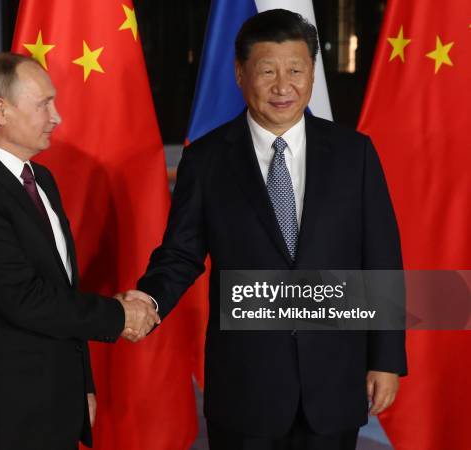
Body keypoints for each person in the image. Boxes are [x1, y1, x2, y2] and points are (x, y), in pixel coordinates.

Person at [125, 9, 407, 450]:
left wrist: (386, 360)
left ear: (312, 72)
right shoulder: (207, 160)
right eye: (267, 70)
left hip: (334, 379)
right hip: (246, 385)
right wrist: (149, 298)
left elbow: (382, 260)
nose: (283, 86)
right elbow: (181, 253)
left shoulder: (355, 155)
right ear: (240, 73)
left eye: (296, 70)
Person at [0, 52, 159, 450]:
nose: (57, 117)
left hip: (55, 403)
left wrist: (82, 384)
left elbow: (62, 287)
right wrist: (119, 315)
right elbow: (24, 298)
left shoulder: (41, 179)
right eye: (44, 104)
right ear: (1, 110)